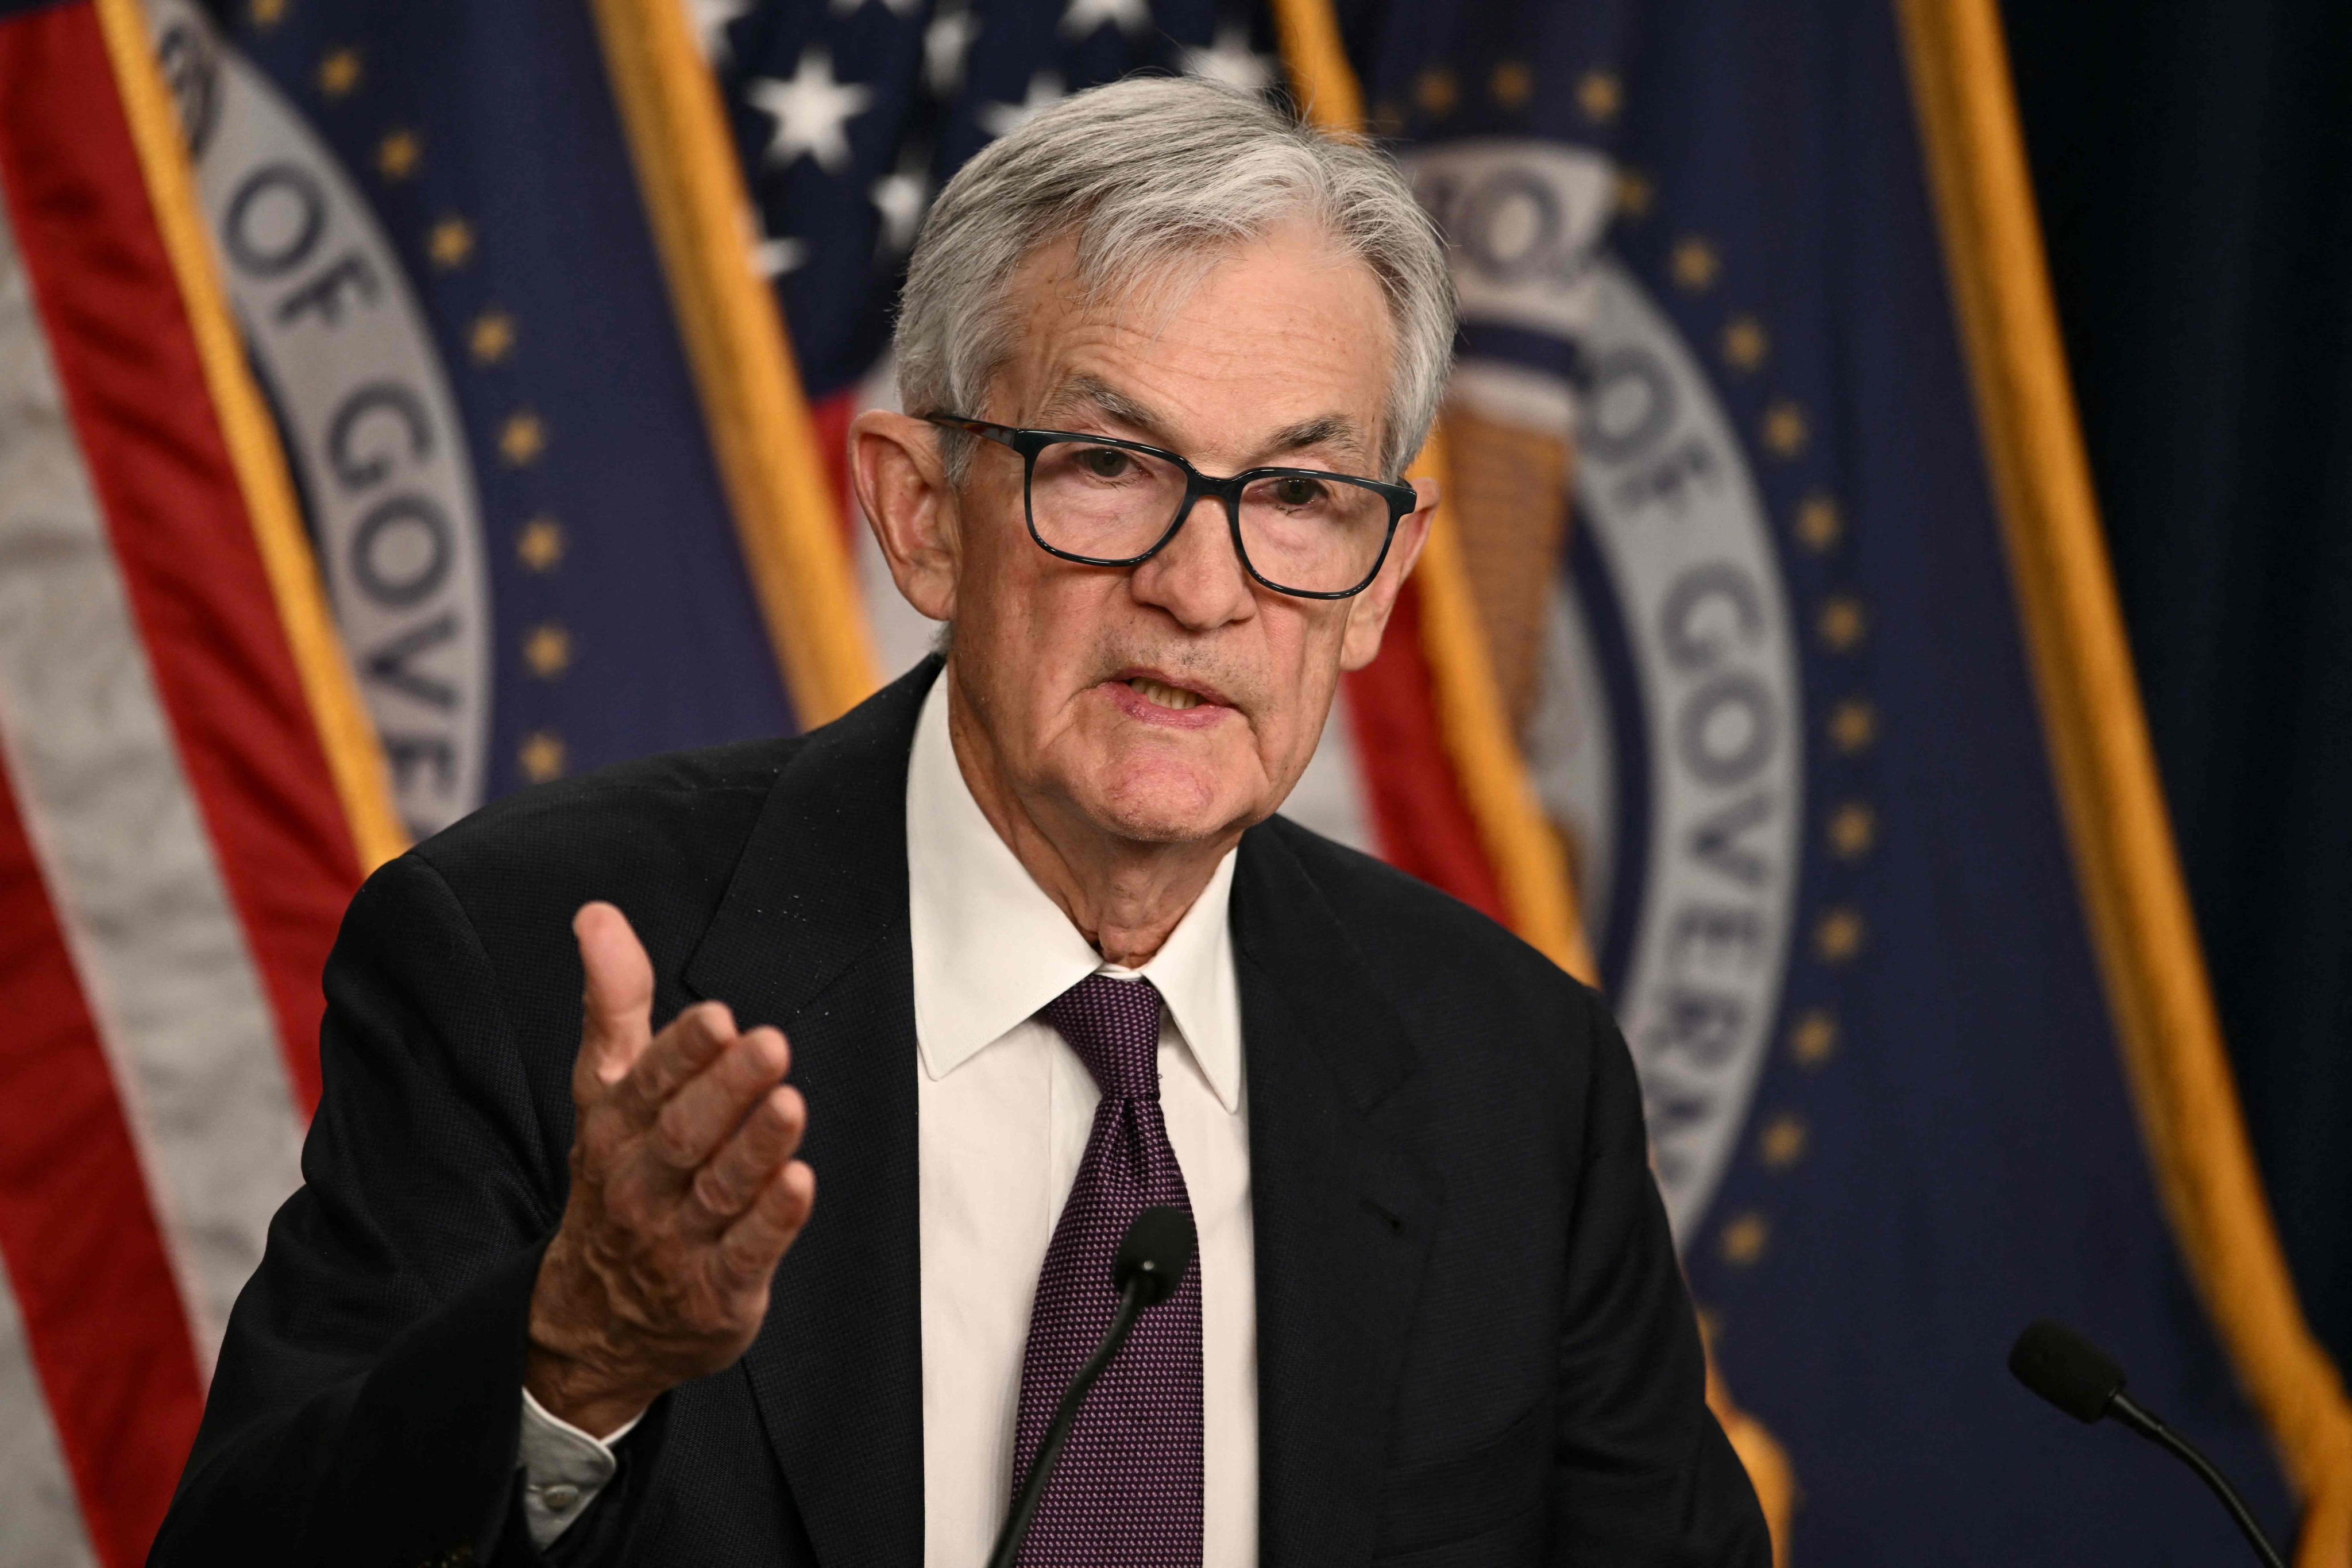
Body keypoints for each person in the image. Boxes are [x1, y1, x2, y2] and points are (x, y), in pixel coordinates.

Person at [153, 75, 1767, 1568]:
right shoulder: (525, 967)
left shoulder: (1514, 1077)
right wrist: (574, 1349)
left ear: (1378, 586)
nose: (1201, 590)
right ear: (923, 517)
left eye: (1295, 496)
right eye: (1106, 465)